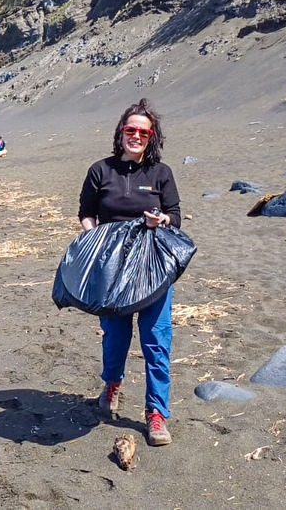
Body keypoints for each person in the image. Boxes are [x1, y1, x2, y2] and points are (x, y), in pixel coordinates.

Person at [77, 99, 181, 447]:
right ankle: (112, 386)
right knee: (115, 336)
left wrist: (162, 220)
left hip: (152, 266)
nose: (135, 136)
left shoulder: (161, 173)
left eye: (143, 132)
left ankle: (156, 415)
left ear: (152, 137)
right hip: (111, 267)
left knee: (156, 340)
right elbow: (87, 213)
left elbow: (175, 215)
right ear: (120, 133)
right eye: (130, 130)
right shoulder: (100, 171)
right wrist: (91, 235)